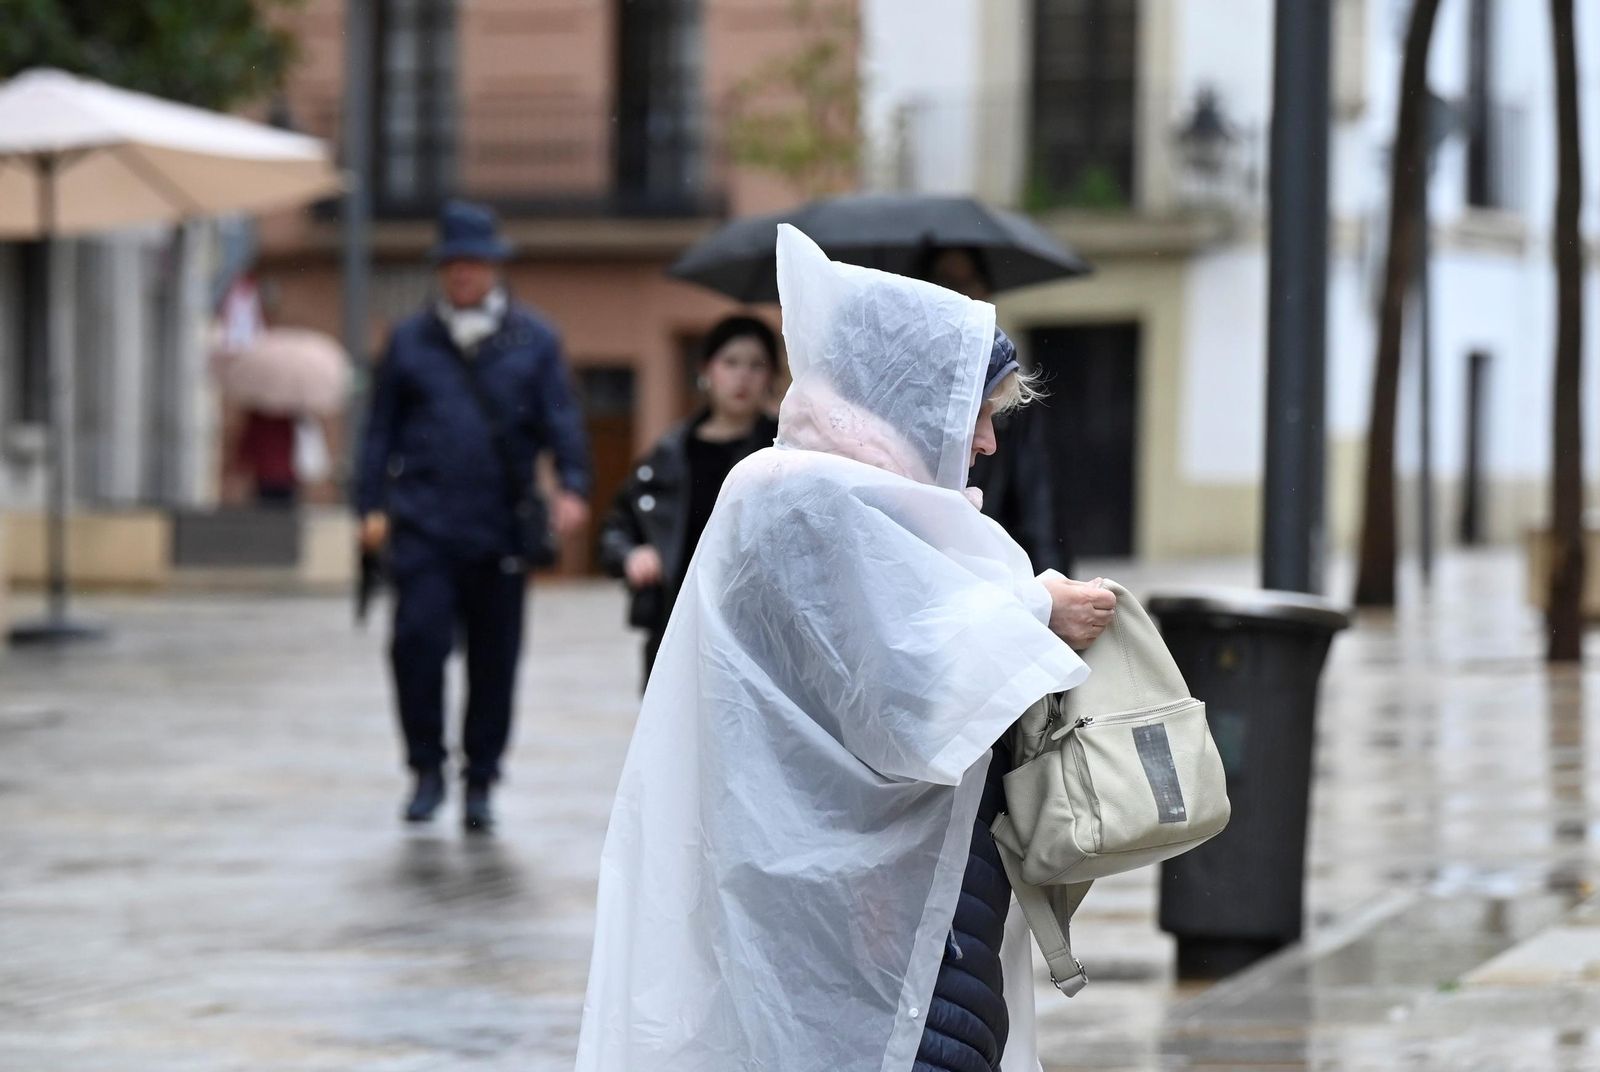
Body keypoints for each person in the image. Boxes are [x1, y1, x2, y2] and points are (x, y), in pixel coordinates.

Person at [574, 225, 1116, 1071]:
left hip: (888, 894)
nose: (987, 444)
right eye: (978, 415)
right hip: (845, 896)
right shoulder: (804, 498)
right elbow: (894, 695)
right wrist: (1031, 607)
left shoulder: (869, 501)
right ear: (916, 397)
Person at [354, 200, 591, 833]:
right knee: (416, 645)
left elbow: (561, 419)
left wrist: (572, 485)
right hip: (425, 523)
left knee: (495, 659)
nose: (464, 274)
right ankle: (426, 769)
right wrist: (367, 502)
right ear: (441, 270)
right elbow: (379, 430)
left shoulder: (534, 340)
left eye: (475, 263)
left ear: (493, 268)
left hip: (501, 526)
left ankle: (480, 778)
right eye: (454, 264)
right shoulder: (409, 340)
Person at [599, 315, 781, 683]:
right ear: (706, 371)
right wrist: (633, 553)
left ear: (772, 377)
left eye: (756, 365)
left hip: (763, 632)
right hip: (677, 625)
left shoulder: (785, 451)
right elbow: (616, 529)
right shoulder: (669, 455)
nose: (742, 376)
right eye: (731, 363)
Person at [917, 244, 1070, 575]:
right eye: (944, 282)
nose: (987, 442)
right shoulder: (903, 394)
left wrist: (1050, 597)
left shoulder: (1012, 402)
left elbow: (1037, 507)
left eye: (967, 282)